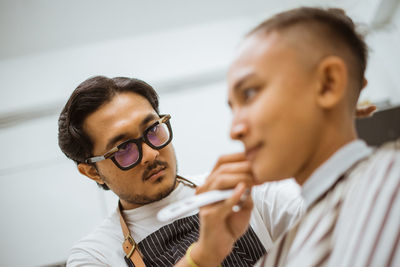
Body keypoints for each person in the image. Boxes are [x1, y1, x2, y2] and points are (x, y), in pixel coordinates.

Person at [179, 7, 400, 267]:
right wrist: (207, 253)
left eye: (249, 94)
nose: (234, 130)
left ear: (328, 83)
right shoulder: (285, 248)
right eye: (233, 107)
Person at [58, 76, 304, 266]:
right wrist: (204, 255)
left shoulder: (240, 192)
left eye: (153, 130)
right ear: (92, 172)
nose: (151, 154)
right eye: (123, 148)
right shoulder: (94, 254)